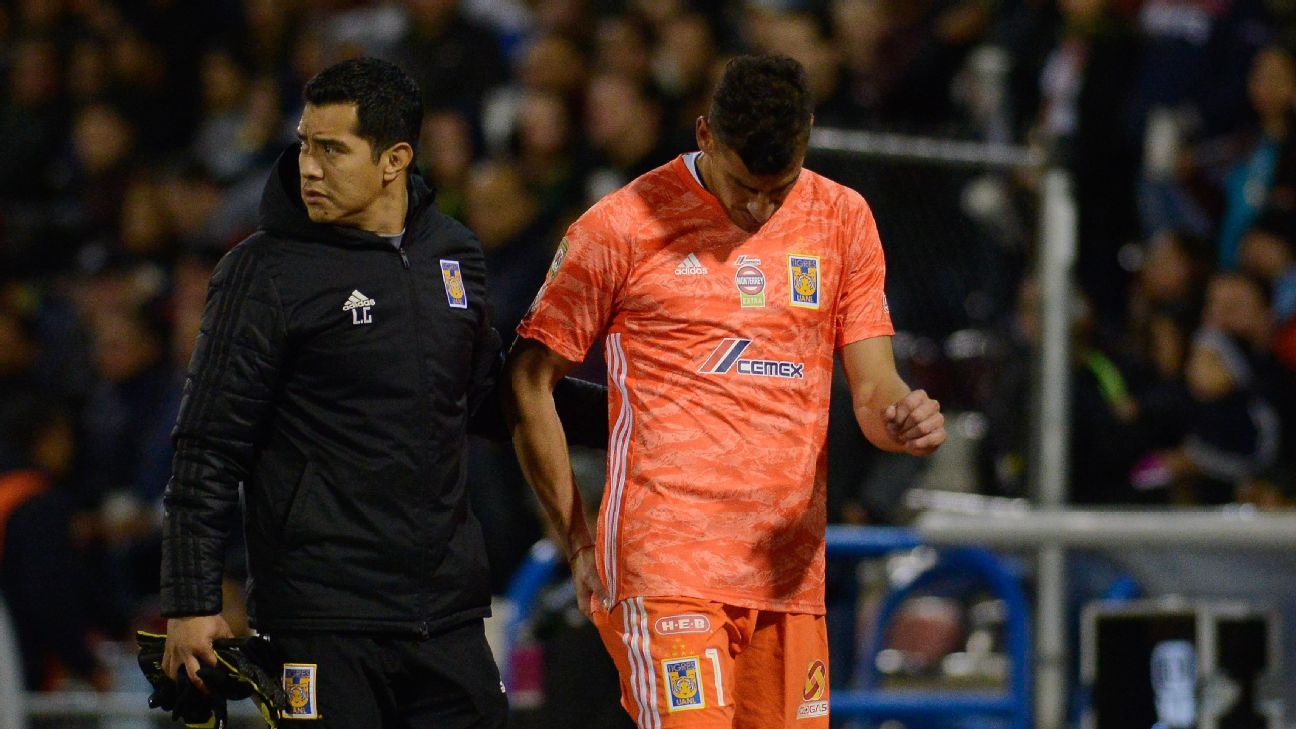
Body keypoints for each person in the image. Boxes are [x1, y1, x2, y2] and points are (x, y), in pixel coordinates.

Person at [158, 57, 603, 728]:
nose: (308, 166)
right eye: (305, 144)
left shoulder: (454, 254)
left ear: (395, 158)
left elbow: (490, 396)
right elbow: (206, 445)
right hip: (321, 622)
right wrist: (191, 599)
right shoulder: (261, 272)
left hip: (446, 614)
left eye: (332, 150)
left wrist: (632, 408)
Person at [504, 54, 946, 728]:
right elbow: (528, 379)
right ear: (705, 134)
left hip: (787, 578)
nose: (760, 207)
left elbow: (873, 388)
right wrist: (575, 538)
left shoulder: (842, 219)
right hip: (666, 564)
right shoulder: (620, 227)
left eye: (781, 186)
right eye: (744, 185)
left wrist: (900, 418)